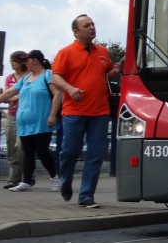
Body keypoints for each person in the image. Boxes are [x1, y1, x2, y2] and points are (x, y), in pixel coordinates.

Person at [51, 14, 120, 208]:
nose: (92, 27)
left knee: (96, 154)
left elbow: (106, 74)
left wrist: (114, 71)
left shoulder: (103, 52)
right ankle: (65, 179)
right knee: (69, 152)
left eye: (93, 24)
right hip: (74, 110)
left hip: (100, 111)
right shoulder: (66, 52)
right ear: (76, 31)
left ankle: (86, 195)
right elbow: (56, 78)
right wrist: (71, 89)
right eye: (86, 25)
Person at [0, 50, 61, 192]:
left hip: (41, 120)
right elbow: (9, 93)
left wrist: (52, 115)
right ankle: (26, 181)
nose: (25, 63)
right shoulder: (26, 78)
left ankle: (55, 178)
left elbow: (57, 94)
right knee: (27, 151)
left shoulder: (47, 75)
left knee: (43, 151)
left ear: (35, 60)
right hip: (24, 122)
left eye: (27, 60)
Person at [1, 51, 28, 188]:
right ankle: (14, 177)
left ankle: (27, 174)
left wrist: (14, 97)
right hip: (11, 115)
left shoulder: (29, 76)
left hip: (24, 115)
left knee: (21, 146)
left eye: (14, 61)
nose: (12, 63)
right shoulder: (10, 78)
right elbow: (6, 96)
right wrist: (15, 97)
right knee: (11, 146)